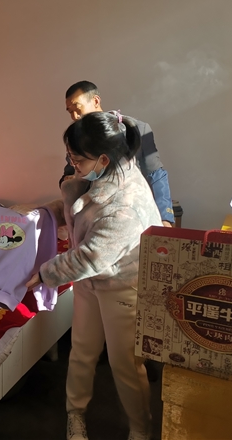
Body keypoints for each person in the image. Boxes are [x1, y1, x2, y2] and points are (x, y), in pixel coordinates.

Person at [25, 111, 162, 440]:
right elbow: (80, 210)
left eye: (77, 159)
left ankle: (140, 429)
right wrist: (45, 213)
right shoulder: (103, 172)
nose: (72, 165)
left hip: (123, 284)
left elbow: (92, 255)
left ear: (103, 159)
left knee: (124, 364)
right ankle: (75, 413)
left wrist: (43, 274)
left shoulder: (126, 203)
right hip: (89, 280)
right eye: (70, 157)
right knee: (82, 351)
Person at [62, 81, 175, 227]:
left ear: (95, 101)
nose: (75, 116)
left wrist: (165, 218)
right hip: (90, 216)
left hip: (128, 214)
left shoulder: (136, 128)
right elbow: (68, 175)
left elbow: (155, 174)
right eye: (70, 112)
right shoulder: (76, 138)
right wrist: (69, 181)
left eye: (78, 108)